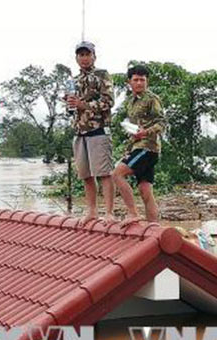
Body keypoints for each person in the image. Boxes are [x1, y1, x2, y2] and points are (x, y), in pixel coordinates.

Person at [67, 41, 115, 225]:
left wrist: (83, 104)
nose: (84, 58)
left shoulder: (102, 75)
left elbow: (108, 102)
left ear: (94, 56)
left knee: (104, 173)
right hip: (79, 131)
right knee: (85, 175)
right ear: (76, 58)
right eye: (81, 55)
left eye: (87, 54)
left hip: (98, 129)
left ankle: (109, 212)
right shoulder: (73, 80)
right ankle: (92, 211)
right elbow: (71, 108)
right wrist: (70, 104)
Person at [112, 65, 166, 226]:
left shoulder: (152, 99)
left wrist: (145, 132)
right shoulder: (130, 102)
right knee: (145, 190)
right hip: (138, 147)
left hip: (148, 148)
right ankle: (153, 227)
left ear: (147, 81)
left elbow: (162, 122)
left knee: (117, 174)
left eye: (142, 79)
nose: (139, 83)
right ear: (129, 82)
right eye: (136, 79)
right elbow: (134, 130)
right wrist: (128, 150)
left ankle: (133, 213)